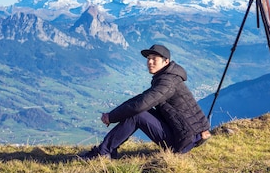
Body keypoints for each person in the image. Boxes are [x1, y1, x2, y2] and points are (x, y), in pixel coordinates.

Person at [82, 44, 211, 159]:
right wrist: (111, 115)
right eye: (148, 59)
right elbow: (141, 98)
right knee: (139, 110)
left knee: (137, 114)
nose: (150, 62)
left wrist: (112, 117)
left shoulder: (167, 82)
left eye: (154, 59)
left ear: (166, 62)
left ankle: (103, 152)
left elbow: (139, 106)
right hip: (187, 133)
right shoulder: (167, 77)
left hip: (183, 140)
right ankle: (106, 150)